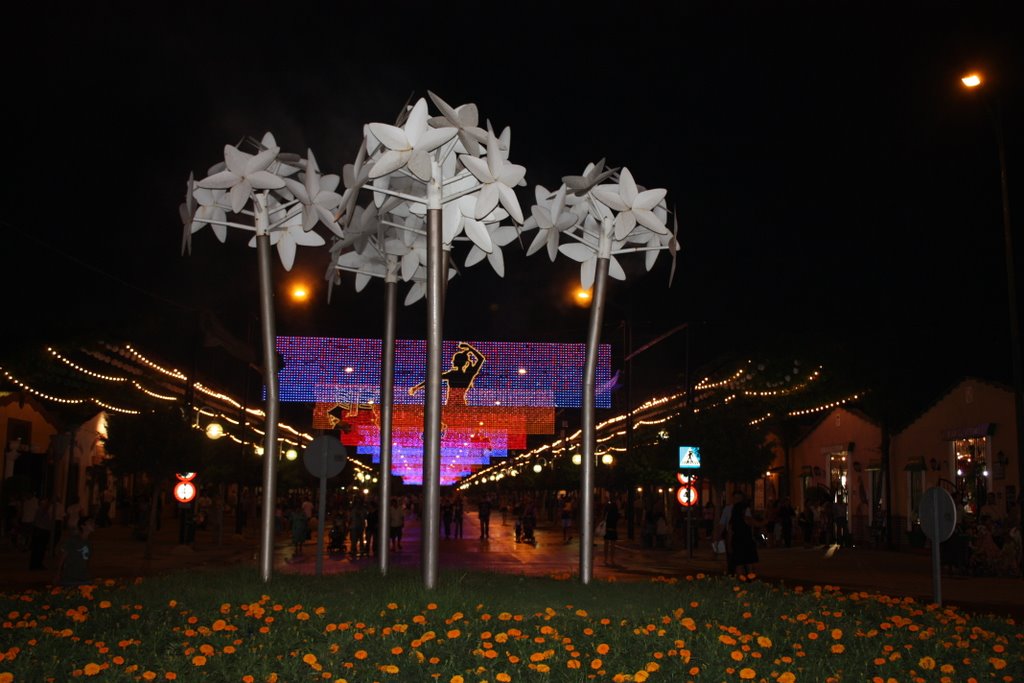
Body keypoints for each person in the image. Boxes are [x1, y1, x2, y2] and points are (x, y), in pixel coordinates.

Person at [408, 341, 486, 406]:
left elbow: (432, 379)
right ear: (466, 363)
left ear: (454, 362)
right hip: (461, 403)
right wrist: (469, 348)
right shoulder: (469, 374)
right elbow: (481, 359)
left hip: (451, 404)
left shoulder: (452, 374)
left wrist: (417, 387)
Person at [727, 491, 761, 576]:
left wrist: (729, 544)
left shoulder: (733, 515)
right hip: (746, 540)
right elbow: (754, 523)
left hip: (737, 541)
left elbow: (730, 531)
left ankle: (741, 581)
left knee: (739, 564)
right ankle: (750, 581)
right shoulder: (745, 514)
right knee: (749, 563)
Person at [55, 516, 96, 586]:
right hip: (70, 578)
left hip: (84, 578)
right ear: (82, 526)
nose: (93, 524)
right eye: (90, 523)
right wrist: (58, 574)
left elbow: (87, 561)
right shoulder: (73, 541)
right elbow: (62, 558)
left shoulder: (89, 544)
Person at [602, 496, 619, 565]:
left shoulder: (607, 507)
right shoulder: (615, 508)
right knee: (612, 544)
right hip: (613, 527)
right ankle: (612, 559)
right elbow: (617, 518)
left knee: (606, 544)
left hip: (607, 527)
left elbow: (603, 516)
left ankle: (606, 559)